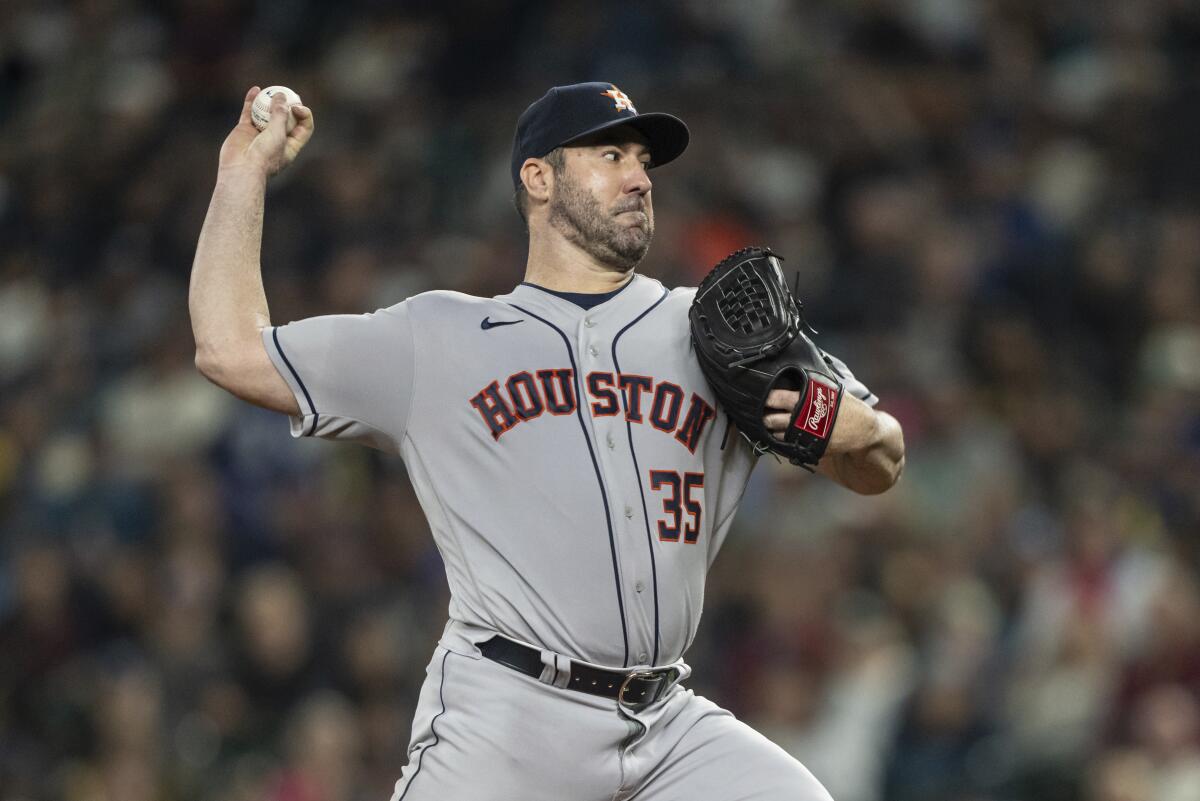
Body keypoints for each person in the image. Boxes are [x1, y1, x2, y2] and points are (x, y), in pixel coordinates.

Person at [190, 81, 905, 801]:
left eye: (643, 161)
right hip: (509, 717)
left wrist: (847, 424)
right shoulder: (437, 339)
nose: (638, 177)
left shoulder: (711, 329)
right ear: (538, 178)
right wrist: (242, 173)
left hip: (665, 725)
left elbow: (880, 461)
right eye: (610, 154)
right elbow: (229, 349)